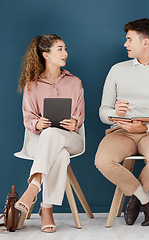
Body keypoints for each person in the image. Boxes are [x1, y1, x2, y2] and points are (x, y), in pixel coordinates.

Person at [95, 18, 149, 227]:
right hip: (121, 130)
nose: (125, 44)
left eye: (129, 39)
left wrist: (146, 127)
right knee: (102, 161)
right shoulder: (117, 70)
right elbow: (102, 111)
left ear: (146, 42)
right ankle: (146, 199)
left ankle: (135, 197)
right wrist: (113, 113)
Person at [14, 34, 85, 233]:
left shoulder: (75, 82)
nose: (65, 53)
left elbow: (80, 117)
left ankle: (33, 186)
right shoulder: (32, 85)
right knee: (58, 151)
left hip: (71, 139)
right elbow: (28, 118)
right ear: (46, 55)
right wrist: (38, 123)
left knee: (54, 136)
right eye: (60, 49)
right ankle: (46, 209)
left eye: (65, 48)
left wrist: (74, 122)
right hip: (40, 140)